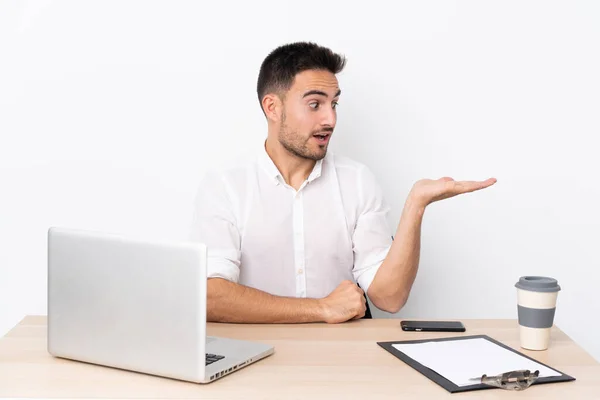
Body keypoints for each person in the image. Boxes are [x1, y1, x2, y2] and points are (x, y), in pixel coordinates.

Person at [190, 42, 496, 324]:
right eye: (315, 105)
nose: (330, 120)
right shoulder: (225, 186)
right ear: (272, 107)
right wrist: (321, 308)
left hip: (343, 357)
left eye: (334, 104)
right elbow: (210, 297)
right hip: (257, 358)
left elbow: (388, 297)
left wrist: (415, 205)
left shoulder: (357, 181)